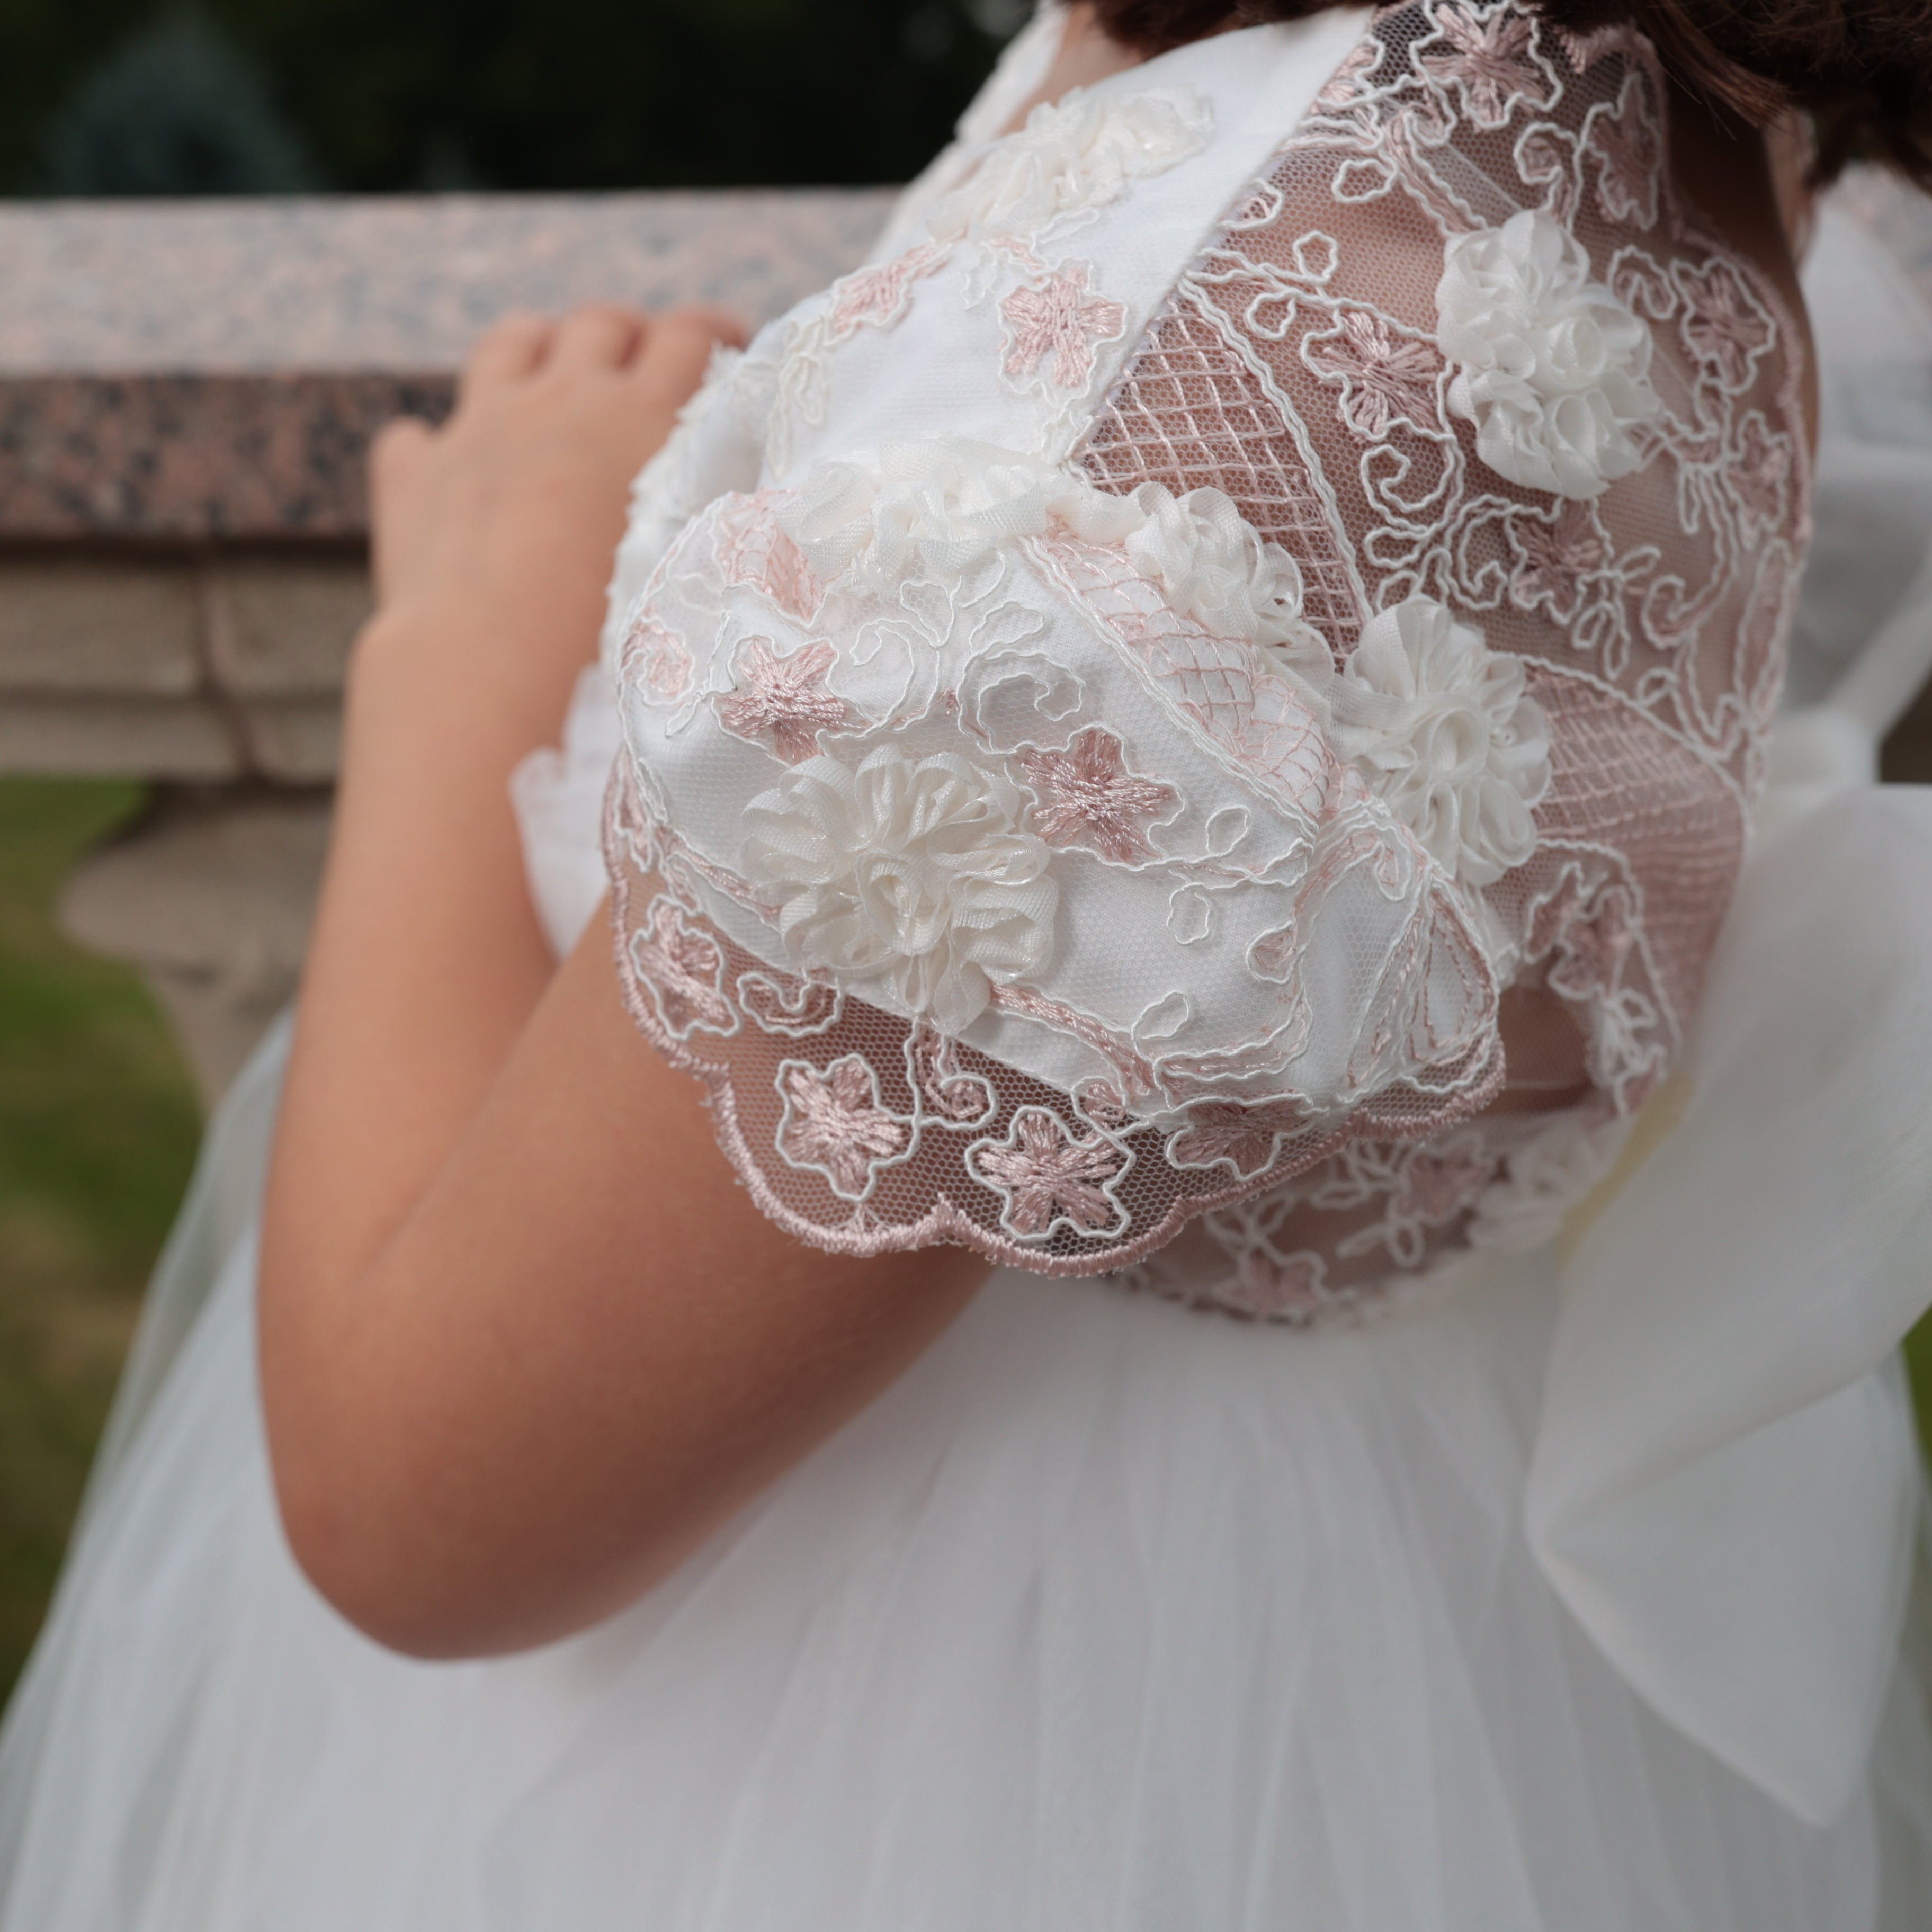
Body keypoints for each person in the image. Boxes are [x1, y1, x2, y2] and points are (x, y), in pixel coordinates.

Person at [4, 1, 1932, 1924]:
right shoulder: (1679, 113)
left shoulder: (1150, 439)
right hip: (1348, 1634)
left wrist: (457, 651)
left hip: (885, 1749)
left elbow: (419, 1499)